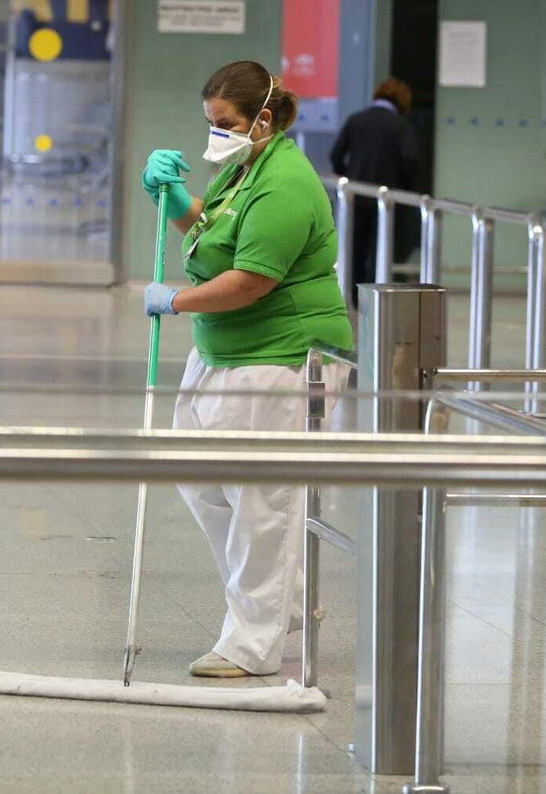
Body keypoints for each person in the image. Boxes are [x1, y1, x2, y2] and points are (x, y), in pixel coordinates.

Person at [139, 60, 354, 679]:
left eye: (226, 123)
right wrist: (175, 199)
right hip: (223, 350)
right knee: (200, 477)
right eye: (210, 123)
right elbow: (212, 233)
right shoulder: (246, 168)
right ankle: (281, 600)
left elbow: (253, 280)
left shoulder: (284, 179)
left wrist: (172, 300)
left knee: (264, 501)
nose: (216, 134)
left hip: (282, 354)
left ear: (263, 117)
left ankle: (252, 643)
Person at [328, 77, 420, 305]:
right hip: (386, 200)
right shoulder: (400, 125)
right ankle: (374, 298)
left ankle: (352, 296)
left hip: (355, 197)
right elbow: (410, 160)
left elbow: (335, 154)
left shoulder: (357, 119)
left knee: (354, 248)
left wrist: (348, 177)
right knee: (380, 250)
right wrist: (406, 189)